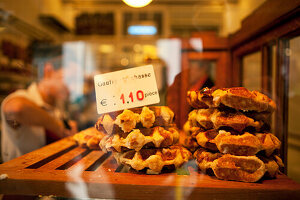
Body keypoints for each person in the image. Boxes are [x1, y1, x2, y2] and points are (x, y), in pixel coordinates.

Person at [1, 63, 77, 162]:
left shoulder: (58, 104)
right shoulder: (24, 97)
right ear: (48, 72)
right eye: (70, 80)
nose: (73, 88)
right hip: (21, 175)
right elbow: (16, 109)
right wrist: (58, 127)